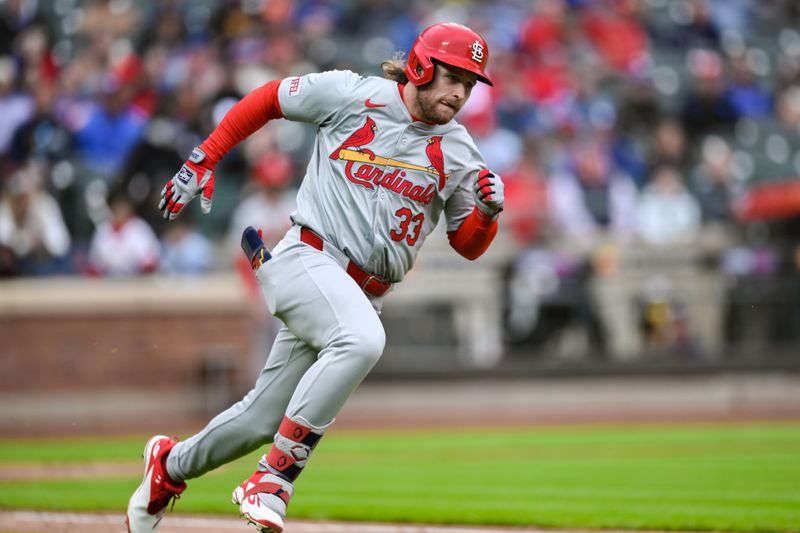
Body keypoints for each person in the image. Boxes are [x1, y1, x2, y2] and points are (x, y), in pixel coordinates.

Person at [125, 22, 505, 533]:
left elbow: (468, 245)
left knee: (259, 420)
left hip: (363, 294)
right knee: (363, 340)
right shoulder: (352, 94)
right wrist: (206, 156)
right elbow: (268, 98)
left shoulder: (459, 150)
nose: (460, 91)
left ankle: (167, 468)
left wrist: (486, 213)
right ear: (420, 65)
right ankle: (273, 481)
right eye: (453, 75)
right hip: (308, 260)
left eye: (470, 82)